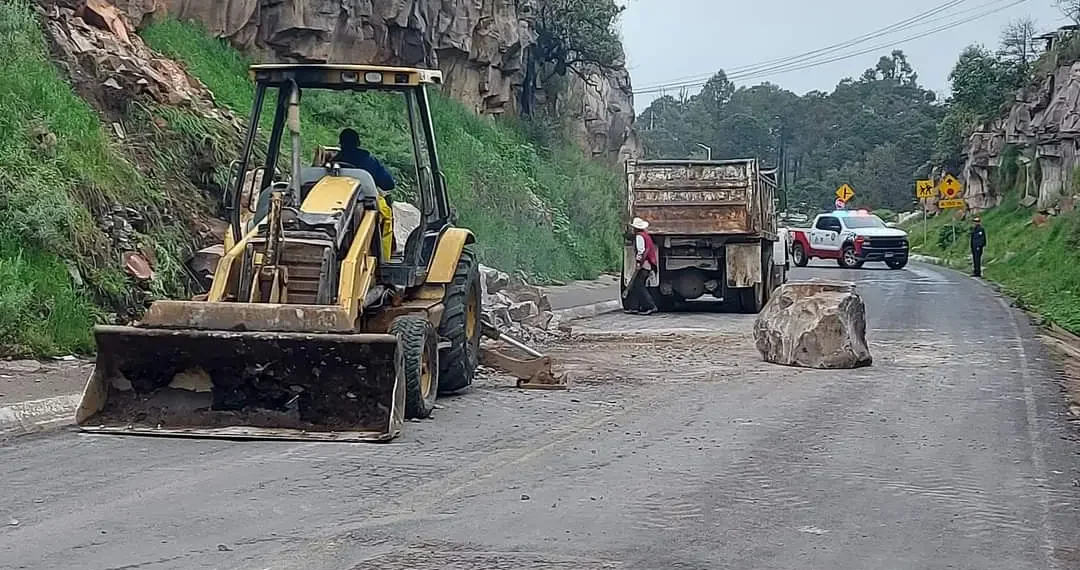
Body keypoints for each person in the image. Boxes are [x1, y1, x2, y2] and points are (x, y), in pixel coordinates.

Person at [627, 217, 660, 315]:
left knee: (639, 285)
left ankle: (650, 306)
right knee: (637, 285)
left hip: (644, 264)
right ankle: (634, 307)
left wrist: (638, 262)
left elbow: (641, 251)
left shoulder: (639, 236)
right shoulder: (646, 235)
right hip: (648, 263)